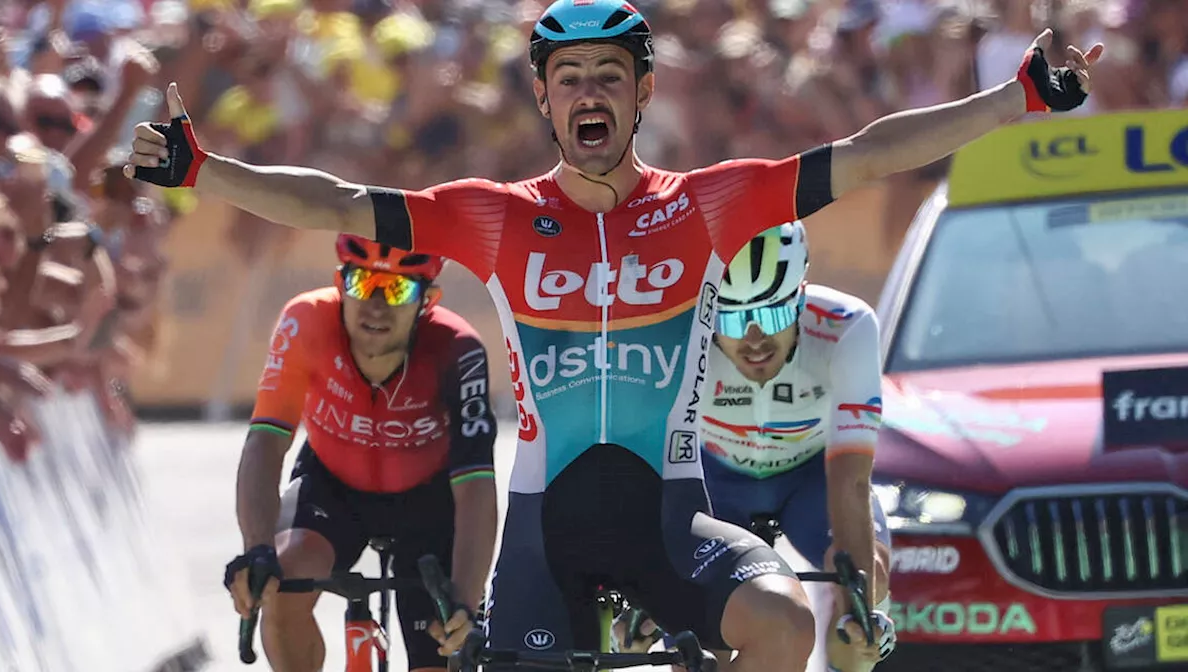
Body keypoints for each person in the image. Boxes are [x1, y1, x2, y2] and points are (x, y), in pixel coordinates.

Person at [128, 1, 1101, 668]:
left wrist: (1014, 96)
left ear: (639, 97)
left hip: (669, 523)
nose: (588, 92)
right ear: (543, 101)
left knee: (777, 631)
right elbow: (335, 200)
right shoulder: (494, 215)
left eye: (608, 76)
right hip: (544, 531)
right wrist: (201, 171)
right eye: (567, 78)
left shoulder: (710, 205)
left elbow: (866, 154)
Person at [614, 222, 895, 672]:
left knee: (863, 583)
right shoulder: (678, 332)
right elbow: (645, 466)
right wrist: (642, 581)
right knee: (702, 645)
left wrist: (858, 604)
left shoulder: (848, 324)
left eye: (772, 316)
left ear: (800, 298)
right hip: (715, 480)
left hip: (814, 477)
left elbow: (851, 478)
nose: (754, 340)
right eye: (730, 319)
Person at [223, 234, 500, 672]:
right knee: (280, 584)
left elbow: (476, 485)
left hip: (430, 503)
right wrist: (256, 549)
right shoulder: (305, 322)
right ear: (339, 283)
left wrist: (466, 600)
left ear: (428, 300)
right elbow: (266, 439)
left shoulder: (457, 348)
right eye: (362, 284)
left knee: (447, 645)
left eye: (398, 289)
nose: (376, 305)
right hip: (332, 487)